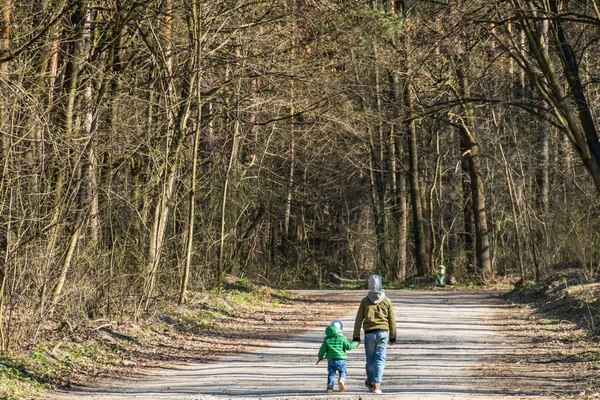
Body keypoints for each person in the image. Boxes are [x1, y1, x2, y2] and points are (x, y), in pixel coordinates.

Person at [353, 274, 396, 394]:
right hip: (383, 333)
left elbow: (358, 319)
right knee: (380, 359)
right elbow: (391, 320)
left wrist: (356, 336)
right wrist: (393, 337)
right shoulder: (387, 301)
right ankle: (377, 384)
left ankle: (371, 381)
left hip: (369, 334)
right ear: (381, 285)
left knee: (370, 359)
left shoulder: (365, 301)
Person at [317, 319, 359, 393]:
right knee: (342, 371)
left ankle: (330, 388)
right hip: (341, 359)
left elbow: (322, 349)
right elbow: (348, 346)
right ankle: (341, 380)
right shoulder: (342, 338)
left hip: (331, 360)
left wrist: (320, 356)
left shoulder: (327, 339)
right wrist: (355, 343)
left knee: (331, 373)